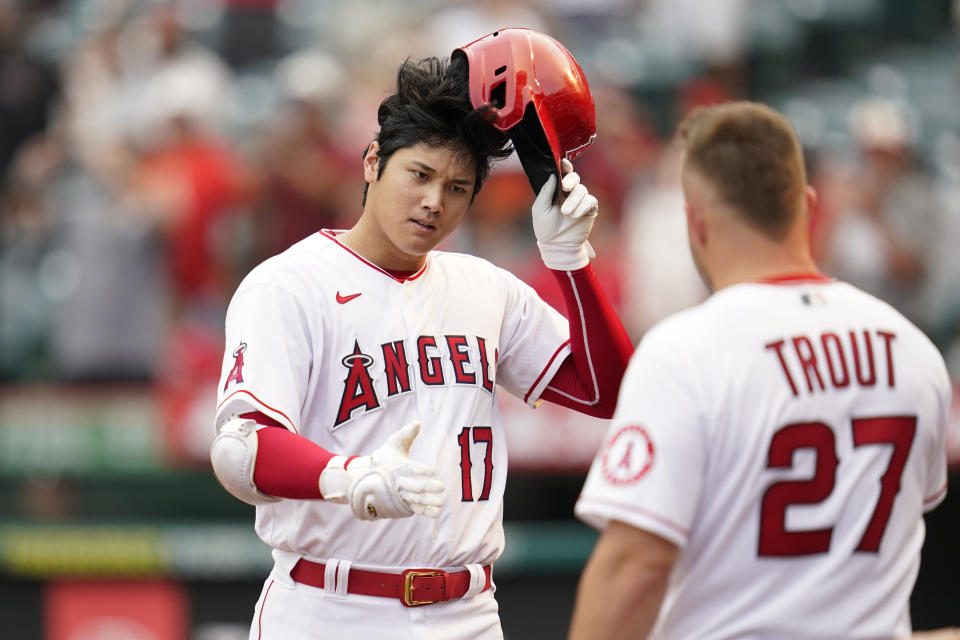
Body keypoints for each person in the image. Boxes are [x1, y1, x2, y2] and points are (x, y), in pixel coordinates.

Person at [209, 37, 633, 640]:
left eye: (458, 188)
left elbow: (608, 392)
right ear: (372, 162)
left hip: (469, 612)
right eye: (420, 174)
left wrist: (572, 261)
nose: (434, 201)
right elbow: (241, 450)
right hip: (331, 606)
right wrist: (345, 476)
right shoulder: (288, 284)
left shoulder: (485, 287)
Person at [569, 101, 952, 640]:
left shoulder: (685, 350)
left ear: (694, 221)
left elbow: (635, 567)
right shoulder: (913, 350)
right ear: (807, 204)